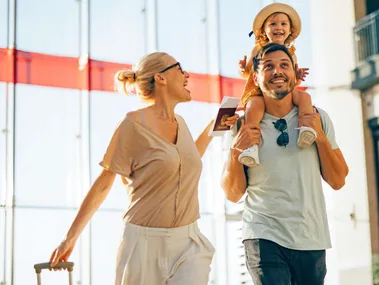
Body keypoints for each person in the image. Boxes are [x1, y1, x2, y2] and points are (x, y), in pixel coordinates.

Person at [49, 52, 239, 285]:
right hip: (143, 246)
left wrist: (213, 126)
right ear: (161, 77)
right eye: (180, 69)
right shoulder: (133, 124)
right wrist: (70, 238)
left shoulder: (181, 123)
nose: (187, 75)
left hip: (189, 243)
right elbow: (104, 182)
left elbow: (185, 161)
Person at [221, 43, 349, 285]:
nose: (277, 71)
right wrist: (236, 151)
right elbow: (232, 193)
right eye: (268, 66)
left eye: (284, 65)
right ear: (256, 78)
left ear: (294, 73)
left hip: (311, 237)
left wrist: (319, 136)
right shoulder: (241, 125)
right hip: (263, 234)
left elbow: (338, 180)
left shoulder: (318, 116)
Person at [237, 3, 316, 167]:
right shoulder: (258, 49)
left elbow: (290, 81)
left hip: (284, 92)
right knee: (254, 107)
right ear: (264, 30)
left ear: (289, 30)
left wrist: (298, 77)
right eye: (273, 24)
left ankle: (306, 128)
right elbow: (250, 73)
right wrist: (243, 69)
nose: (278, 27)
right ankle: (252, 146)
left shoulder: (291, 54)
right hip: (260, 92)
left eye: (283, 24)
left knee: (304, 97)